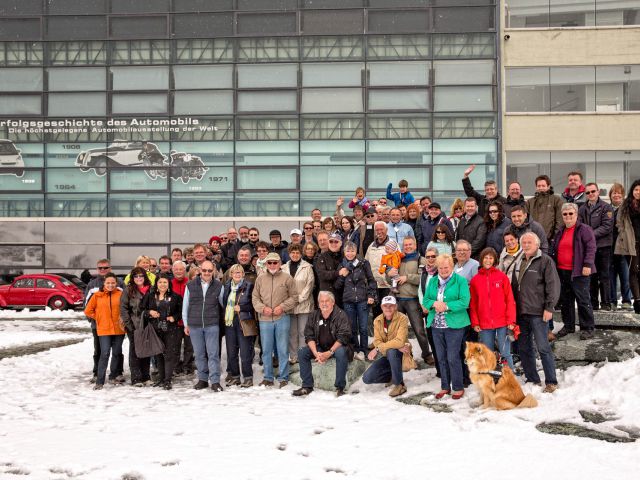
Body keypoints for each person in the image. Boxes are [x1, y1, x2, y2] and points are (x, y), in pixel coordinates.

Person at [511, 232, 560, 392]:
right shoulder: (518, 261)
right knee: (524, 348)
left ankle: (551, 381)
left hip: (539, 312)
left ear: (537, 245)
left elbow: (553, 286)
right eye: (523, 242)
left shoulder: (545, 261)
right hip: (521, 312)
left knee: (543, 347)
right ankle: (532, 378)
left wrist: (549, 308)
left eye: (529, 242)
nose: (525, 245)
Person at [422, 254, 471, 400]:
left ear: (452, 267)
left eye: (446, 267)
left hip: (454, 325)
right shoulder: (433, 281)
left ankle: (457, 387)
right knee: (441, 357)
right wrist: (434, 304)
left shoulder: (460, 281)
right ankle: (445, 386)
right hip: (436, 325)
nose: (443, 270)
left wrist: (447, 306)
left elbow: (465, 301)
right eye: (441, 267)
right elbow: (426, 299)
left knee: (452, 357)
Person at [292, 291, 352, 397]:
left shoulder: (341, 315)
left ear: (333, 302)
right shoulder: (314, 315)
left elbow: (344, 337)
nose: (324, 304)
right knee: (302, 352)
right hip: (320, 346)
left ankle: (340, 387)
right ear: (318, 303)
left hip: (337, 347)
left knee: (342, 353)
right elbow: (309, 335)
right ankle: (307, 386)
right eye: (321, 301)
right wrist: (316, 353)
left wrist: (329, 352)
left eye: (327, 301)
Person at [252, 253, 297, 387]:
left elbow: (294, 297)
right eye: (269, 262)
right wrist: (262, 308)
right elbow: (255, 298)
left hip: (282, 318)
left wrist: (282, 307)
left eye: (275, 262)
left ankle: (283, 377)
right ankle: (268, 377)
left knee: (282, 349)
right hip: (265, 319)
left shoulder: (287, 278)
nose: (272, 265)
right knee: (266, 350)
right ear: (266, 264)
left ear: (279, 263)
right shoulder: (260, 279)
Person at [387, 237, 434, 365]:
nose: (407, 246)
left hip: (413, 300)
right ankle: (405, 355)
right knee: (398, 331)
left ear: (415, 245)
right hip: (398, 300)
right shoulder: (398, 258)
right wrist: (389, 274)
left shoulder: (421, 259)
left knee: (419, 330)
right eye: (405, 244)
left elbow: (424, 279)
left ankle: (426, 354)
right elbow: (389, 281)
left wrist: (407, 277)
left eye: (410, 244)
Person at [553, 203, 597, 340]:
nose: (568, 216)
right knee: (566, 301)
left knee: (583, 300)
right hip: (563, 271)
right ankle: (569, 326)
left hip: (579, 271)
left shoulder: (584, 229)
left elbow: (591, 247)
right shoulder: (560, 230)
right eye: (565, 214)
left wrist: (587, 264)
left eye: (571, 213)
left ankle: (588, 328)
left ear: (576, 214)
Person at [469, 248, 517, 370]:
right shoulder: (475, 280)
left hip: (502, 322)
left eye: (491, 258)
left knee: (505, 352)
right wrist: (475, 322)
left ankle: (510, 378)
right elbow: (473, 303)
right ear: (481, 259)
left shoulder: (502, 277)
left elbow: (510, 300)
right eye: (486, 257)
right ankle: (490, 378)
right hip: (484, 323)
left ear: (495, 260)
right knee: (487, 354)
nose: (488, 260)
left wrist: (511, 320)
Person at [182, 260, 224, 392]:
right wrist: (186, 324)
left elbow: (222, 305)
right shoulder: (190, 285)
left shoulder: (219, 286)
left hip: (212, 324)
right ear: (200, 270)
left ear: (214, 271)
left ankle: (215, 381)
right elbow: (185, 306)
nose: (206, 273)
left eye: (209, 271)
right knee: (199, 354)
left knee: (213, 354)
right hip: (195, 325)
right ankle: (203, 379)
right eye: (204, 270)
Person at [84, 258, 124, 383]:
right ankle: (97, 374)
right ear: (97, 269)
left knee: (117, 351)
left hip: (117, 326)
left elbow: (125, 304)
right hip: (99, 325)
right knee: (100, 351)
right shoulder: (92, 285)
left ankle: (117, 373)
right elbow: (87, 306)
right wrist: (98, 318)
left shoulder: (120, 284)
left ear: (110, 268)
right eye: (100, 268)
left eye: (105, 267)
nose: (103, 270)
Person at [335, 241, 377, 360]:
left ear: (356, 251)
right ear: (344, 252)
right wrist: (343, 275)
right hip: (348, 301)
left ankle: (363, 350)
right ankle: (355, 349)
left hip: (362, 300)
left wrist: (371, 295)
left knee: (363, 328)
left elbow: (371, 280)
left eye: (352, 251)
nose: (350, 253)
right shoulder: (341, 265)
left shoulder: (363, 263)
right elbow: (337, 286)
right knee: (352, 328)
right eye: (347, 251)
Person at [362, 296, 410, 397]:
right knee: (367, 378)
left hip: (402, 354)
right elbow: (377, 341)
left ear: (396, 306)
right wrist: (392, 346)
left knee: (392, 351)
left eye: (391, 305)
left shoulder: (403, 318)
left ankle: (399, 385)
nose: (388, 308)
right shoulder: (377, 320)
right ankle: (392, 376)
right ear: (381, 307)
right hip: (386, 355)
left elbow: (400, 341)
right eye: (385, 306)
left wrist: (379, 348)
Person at [142, 273, 183, 390]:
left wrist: (174, 317)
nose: (162, 284)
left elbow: (181, 312)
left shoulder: (175, 297)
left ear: (169, 284)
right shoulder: (150, 296)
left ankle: (167, 380)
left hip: (171, 329)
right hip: (155, 329)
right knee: (158, 354)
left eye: (165, 282)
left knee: (169, 354)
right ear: (156, 284)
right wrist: (149, 312)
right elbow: (142, 309)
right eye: (160, 282)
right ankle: (161, 379)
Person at [579, 182, 614, 311]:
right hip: (589, 249)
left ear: (598, 192)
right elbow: (579, 226)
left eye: (593, 191)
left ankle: (606, 303)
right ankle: (593, 304)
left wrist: (589, 235)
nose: (591, 194)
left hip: (603, 246)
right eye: (587, 192)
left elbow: (607, 227)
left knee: (604, 276)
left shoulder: (606, 207)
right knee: (591, 276)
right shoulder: (582, 209)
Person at [220, 264, 257, 388]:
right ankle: (235, 376)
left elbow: (254, 305)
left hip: (244, 322)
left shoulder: (249, 286)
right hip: (230, 322)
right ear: (231, 274)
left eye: (239, 272)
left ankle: (248, 378)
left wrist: (242, 308)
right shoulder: (226, 286)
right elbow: (224, 303)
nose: (237, 274)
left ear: (243, 274)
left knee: (245, 352)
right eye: (234, 272)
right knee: (231, 352)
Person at [282, 244, 315, 364]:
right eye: (293, 252)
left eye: (297, 253)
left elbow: (309, 285)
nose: (295, 255)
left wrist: (298, 299)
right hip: (289, 305)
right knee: (292, 332)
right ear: (289, 253)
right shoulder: (283, 267)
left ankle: (302, 355)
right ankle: (293, 355)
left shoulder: (307, 267)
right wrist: (289, 302)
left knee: (303, 332)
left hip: (304, 305)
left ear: (301, 254)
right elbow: (281, 286)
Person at [120, 266, 152, 387]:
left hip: (147, 325)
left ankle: (146, 376)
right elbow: (123, 308)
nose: (139, 278)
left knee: (146, 350)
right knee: (135, 351)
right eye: (136, 276)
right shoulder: (129, 290)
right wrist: (129, 325)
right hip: (134, 325)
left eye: (141, 275)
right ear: (132, 278)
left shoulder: (150, 289)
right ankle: (136, 378)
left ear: (145, 277)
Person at [614, 179, 640, 314]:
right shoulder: (626, 205)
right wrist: (623, 235)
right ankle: (637, 300)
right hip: (631, 244)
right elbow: (619, 222)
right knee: (633, 272)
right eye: (636, 189)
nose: (638, 192)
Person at [418, 246, 442, 376]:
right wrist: (423, 305)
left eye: (433, 256)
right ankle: (439, 370)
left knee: (441, 342)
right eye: (428, 257)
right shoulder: (424, 272)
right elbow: (421, 290)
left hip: (440, 311)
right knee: (432, 340)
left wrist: (431, 305)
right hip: (428, 312)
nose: (431, 259)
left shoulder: (442, 271)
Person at [609, 183, 633, 310]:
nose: (616, 195)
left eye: (619, 193)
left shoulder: (627, 209)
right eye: (614, 193)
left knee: (625, 275)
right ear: (610, 195)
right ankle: (612, 300)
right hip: (610, 248)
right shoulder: (607, 209)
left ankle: (626, 300)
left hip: (623, 248)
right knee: (611, 276)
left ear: (623, 195)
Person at [525, 174, 563, 247]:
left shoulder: (556, 200)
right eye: (539, 186)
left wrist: (554, 237)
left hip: (549, 241)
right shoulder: (530, 202)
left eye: (543, 186)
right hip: (532, 241)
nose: (541, 188)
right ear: (536, 187)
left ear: (548, 186)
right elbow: (526, 221)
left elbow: (560, 220)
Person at [365, 221, 392, 318]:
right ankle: (378, 333)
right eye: (377, 230)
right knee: (376, 314)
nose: (379, 232)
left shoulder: (392, 244)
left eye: (382, 229)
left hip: (387, 286)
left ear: (386, 230)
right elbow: (366, 263)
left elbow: (397, 264)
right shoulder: (371, 245)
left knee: (388, 312)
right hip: (374, 285)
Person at [171, 260, 194, 375]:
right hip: (174, 321)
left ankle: (187, 366)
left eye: (181, 269)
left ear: (185, 271)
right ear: (173, 270)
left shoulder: (190, 283)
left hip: (189, 320)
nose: (179, 271)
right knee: (175, 345)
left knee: (189, 346)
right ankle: (175, 366)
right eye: (176, 269)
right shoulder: (169, 283)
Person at [315, 233, 344, 303]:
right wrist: (338, 273)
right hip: (327, 296)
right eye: (331, 241)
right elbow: (322, 274)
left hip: (343, 295)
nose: (333, 244)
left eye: (336, 241)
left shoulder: (346, 256)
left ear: (341, 243)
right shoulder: (322, 257)